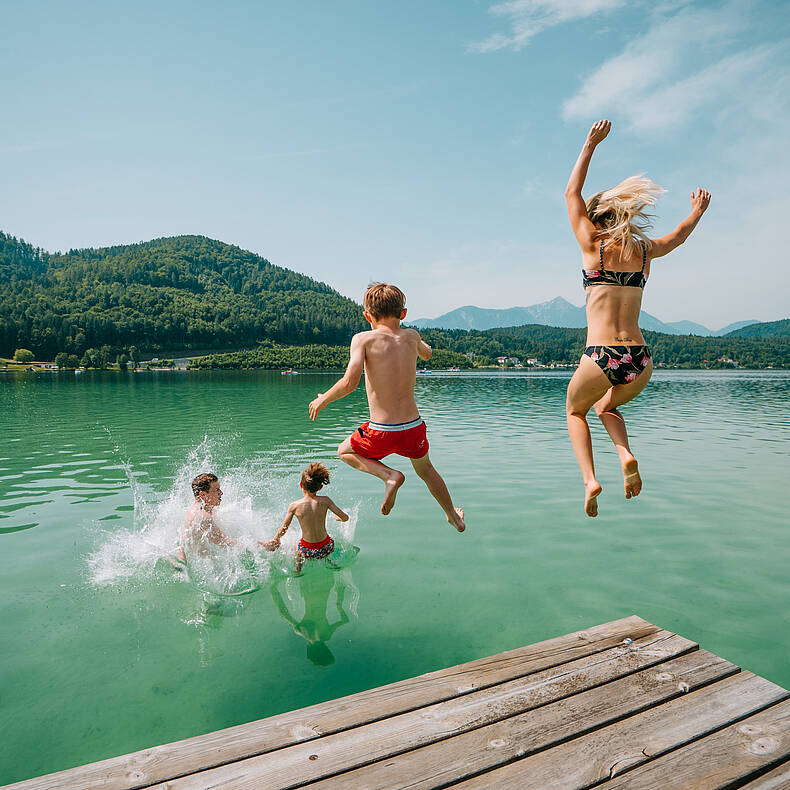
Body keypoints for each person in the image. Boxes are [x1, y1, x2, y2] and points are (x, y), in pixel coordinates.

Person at [564, 119, 710, 517]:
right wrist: (696, 213)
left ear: (597, 218)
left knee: (575, 411)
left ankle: (591, 479)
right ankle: (625, 455)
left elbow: (570, 192)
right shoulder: (644, 251)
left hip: (601, 355)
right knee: (606, 408)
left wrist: (589, 145)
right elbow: (677, 237)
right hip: (641, 359)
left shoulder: (592, 244)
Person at [307, 283, 465, 532]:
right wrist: (425, 349)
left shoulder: (363, 339)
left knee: (344, 451)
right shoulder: (412, 336)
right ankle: (452, 516)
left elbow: (349, 382)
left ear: (367, 316)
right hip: (413, 428)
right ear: (403, 313)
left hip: (381, 430)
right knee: (426, 470)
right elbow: (427, 355)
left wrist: (322, 399)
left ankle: (389, 476)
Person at [260, 462, 348, 572]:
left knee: (295, 550)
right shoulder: (326, 501)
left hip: (307, 551)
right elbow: (345, 518)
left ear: (301, 485)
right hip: (326, 548)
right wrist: (338, 518)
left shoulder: (294, 506)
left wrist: (276, 539)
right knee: (325, 548)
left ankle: (298, 570)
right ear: (320, 487)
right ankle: (331, 563)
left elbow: (284, 528)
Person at [176, 473, 236, 563]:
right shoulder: (202, 517)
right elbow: (226, 543)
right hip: (202, 565)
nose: (221, 493)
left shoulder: (203, 510)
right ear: (203, 494)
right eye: (216, 490)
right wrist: (260, 545)